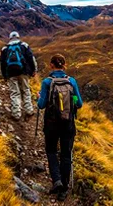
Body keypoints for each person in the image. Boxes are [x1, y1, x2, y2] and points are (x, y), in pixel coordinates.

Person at [37, 54, 83, 201]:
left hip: (51, 125)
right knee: (65, 154)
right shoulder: (72, 81)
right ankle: (64, 188)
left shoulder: (46, 82)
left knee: (51, 151)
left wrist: (39, 97)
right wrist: (72, 101)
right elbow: (79, 103)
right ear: (64, 65)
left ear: (51, 65)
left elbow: (41, 105)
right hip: (68, 123)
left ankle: (56, 180)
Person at [0, 31, 37, 120]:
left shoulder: (5, 49)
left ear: (10, 38)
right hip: (24, 71)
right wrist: (33, 70)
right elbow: (31, 58)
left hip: (11, 73)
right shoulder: (24, 45)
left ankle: (16, 114)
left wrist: (4, 75)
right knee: (26, 90)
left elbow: (2, 64)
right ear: (18, 37)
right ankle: (29, 110)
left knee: (14, 92)